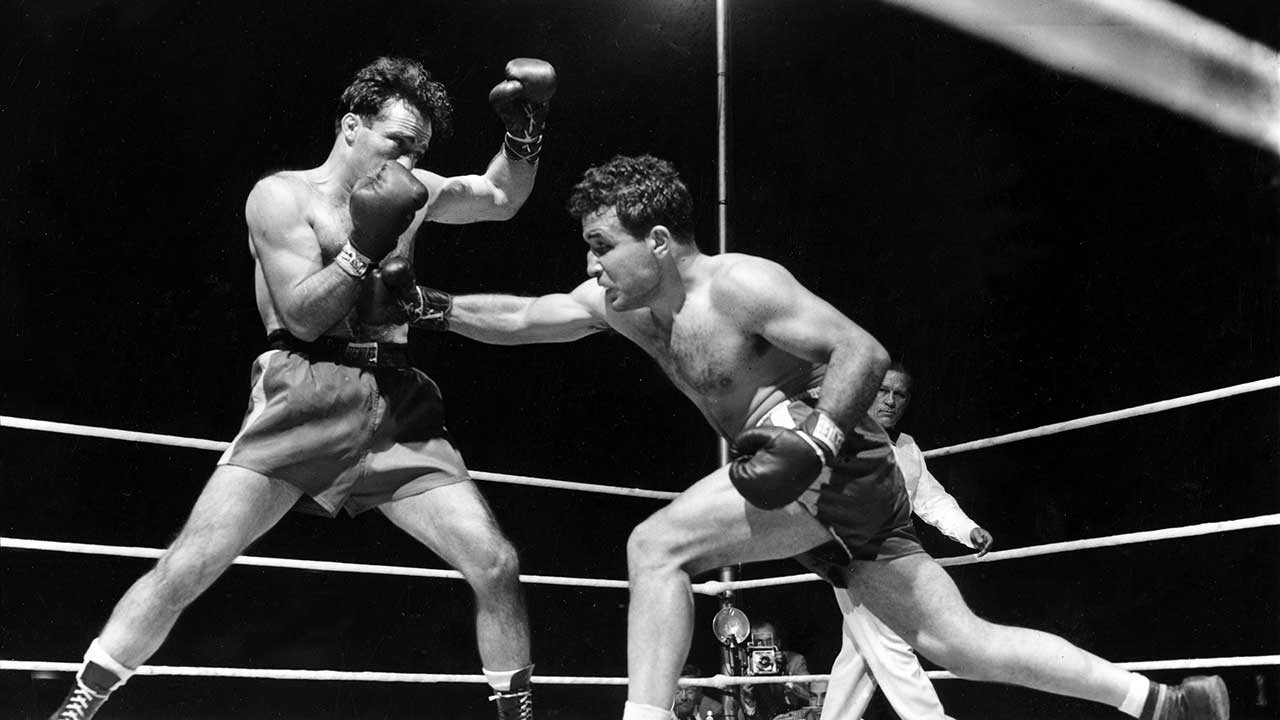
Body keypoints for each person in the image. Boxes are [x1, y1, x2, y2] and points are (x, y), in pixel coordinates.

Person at [392, 154, 1229, 720]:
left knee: (655, 547)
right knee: (960, 643)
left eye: (602, 246)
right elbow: (527, 318)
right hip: (818, 482)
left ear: (659, 241)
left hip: (833, 460)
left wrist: (819, 443)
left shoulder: (741, 286)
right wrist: (426, 306)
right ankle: (1159, 703)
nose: (592, 264)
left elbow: (861, 351)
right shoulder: (623, 305)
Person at [47, 55, 557, 720]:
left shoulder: (417, 190)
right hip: (305, 386)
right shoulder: (281, 197)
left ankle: (517, 713)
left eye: (419, 150)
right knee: (190, 564)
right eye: (397, 142)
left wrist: (524, 133)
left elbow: (500, 197)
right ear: (352, 126)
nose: (408, 160)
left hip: (396, 398)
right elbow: (304, 316)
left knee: (495, 563)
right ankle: (79, 706)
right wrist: (365, 245)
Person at [821, 362, 995, 720]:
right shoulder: (842, 438)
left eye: (899, 395)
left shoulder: (907, 448)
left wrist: (968, 530)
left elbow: (932, 501)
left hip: (896, 561)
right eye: (882, 391)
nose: (890, 401)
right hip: (853, 558)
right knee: (891, 645)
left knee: (859, 659)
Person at [741, 620, 815, 720]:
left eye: (768, 642)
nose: (764, 647)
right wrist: (748, 698)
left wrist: (785, 677)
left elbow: (812, 697)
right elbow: (746, 714)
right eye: (759, 643)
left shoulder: (795, 661)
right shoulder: (749, 669)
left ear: (778, 643)